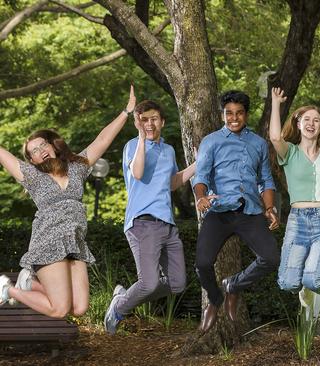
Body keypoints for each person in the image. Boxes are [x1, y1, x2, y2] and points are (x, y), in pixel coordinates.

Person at [0, 86, 136, 319]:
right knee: (60, 308)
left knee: (80, 308)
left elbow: (102, 140)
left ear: (53, 146)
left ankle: (27, 284)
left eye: (43, 145)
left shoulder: (77, 167)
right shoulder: (32, 176)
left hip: (75, 242)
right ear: (31, 159)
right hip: (48, 240)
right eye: (34, 151)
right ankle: (7, 288)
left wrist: (126, 111)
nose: (40, 151)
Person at [103, 100, 196, 334]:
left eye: (154, 118)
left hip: (167, 224)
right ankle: (119, 308)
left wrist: (199, 163)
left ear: (162, 122)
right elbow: (137, 172)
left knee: (177, 283)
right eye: (144, 119)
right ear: (138, 123)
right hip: (143, 223)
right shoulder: (133, 145)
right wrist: (142, 137)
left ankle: (124, 297)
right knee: (149, 282)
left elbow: (173, 183)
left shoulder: (168, 150)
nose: (149, 123)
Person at [193, 90, 280, 332]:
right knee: (202, 263)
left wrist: (270, 208)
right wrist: (201, 197)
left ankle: (233, 285)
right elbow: (200, 176)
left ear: (246, 115)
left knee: (271, 258)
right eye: (229, 113)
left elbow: (266, 180)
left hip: (250, 212)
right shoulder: (210, 141)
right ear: (223, 115)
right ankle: (215, 299)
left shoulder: (259, 144)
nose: (234, 118)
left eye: (239, 113)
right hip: (219, 211)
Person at [269, 88, 320, 311]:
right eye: (306, 119)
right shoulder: (290, 152)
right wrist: (276, 103)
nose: (311, 123)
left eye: (316, 120)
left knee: (314, 280)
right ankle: (304, 286)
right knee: (287, 283)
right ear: (299, 124)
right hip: (297, 222)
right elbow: (275, 137)